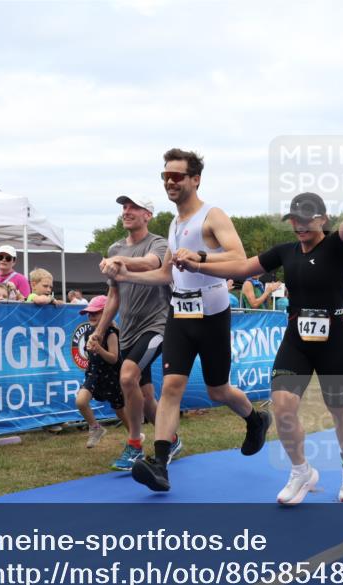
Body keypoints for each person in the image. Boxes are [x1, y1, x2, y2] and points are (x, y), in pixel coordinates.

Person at [177, 160, 343, 503]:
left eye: (307, 219)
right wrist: (199, 262)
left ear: (322, 220)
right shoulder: (285, 252)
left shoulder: (338, 245)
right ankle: (301, 471)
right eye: (294, 220)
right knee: (283, 407)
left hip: (336, 338)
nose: (299, 226)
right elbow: (242, 267)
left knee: (340, 410)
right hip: (297, 338)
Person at [101, 148, 271, 493]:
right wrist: (125, 275)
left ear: (195, 179)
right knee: (172, 387)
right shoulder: (174, 224)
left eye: (177, 176)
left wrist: (200, 258)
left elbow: (239, 258)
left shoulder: (212, 216)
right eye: (165, 176)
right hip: (179, 314)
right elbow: (166, 275)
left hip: (212, 315)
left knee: (217, 389)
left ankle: (256, 419)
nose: (170, 182)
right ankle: (160, 464)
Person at [93, 194, 177, 472]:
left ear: (147, 215)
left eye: (134, 207)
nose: (127, 211)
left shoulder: (158, 243)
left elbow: (154, 263)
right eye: (124, 207)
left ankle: (134, 445)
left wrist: (119, 261)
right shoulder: (115, 246)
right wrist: (100, 331)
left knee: (127, 376)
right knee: (146, 396)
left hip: (156, 326)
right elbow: (113, 295)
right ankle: (172, 439)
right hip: (128, 332)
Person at [76, 295, 134, 448]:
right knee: (81, 402)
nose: (91, 316)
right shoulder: (89, 332)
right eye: (89, 313)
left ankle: (134, 438)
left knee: (120, 410)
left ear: (107, 313)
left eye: (96, 312)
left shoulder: (111, 333)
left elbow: (114, 358)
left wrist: (99, 349)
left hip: (111, 377)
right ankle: (96, 428)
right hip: (93, 375)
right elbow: (91, 356)